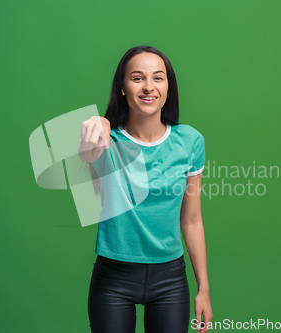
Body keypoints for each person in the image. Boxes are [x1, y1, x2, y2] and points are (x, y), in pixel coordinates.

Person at [78, 45, 213, 333]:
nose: (148, 86)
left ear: (168, 87)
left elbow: (191, 220)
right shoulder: (106, 140)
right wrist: (96, 126)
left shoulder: (190, 141)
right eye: (137, 78)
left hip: (170, 280)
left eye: (158, 78)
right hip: (114, 278)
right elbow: (87, 157)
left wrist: (204, 288)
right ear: (123, 88)